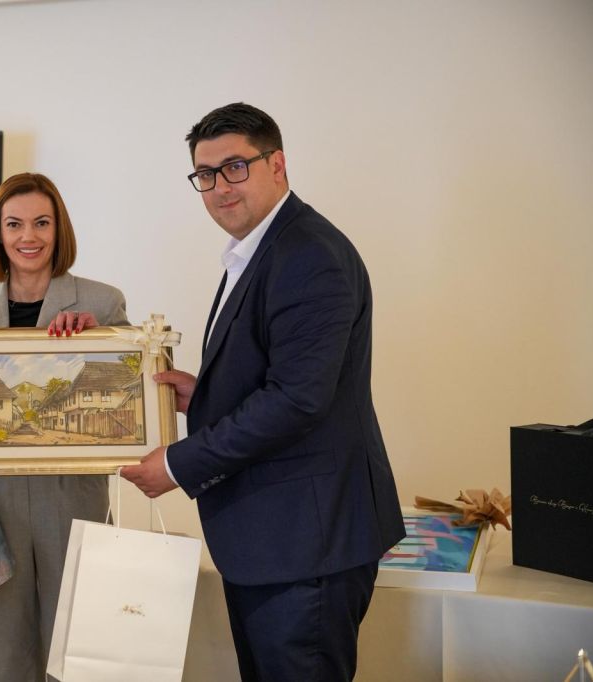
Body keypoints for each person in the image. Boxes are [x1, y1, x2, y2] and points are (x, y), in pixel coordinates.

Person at [121, 103, 405, 681]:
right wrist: (204, 395)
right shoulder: (263, 247)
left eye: (235, 167)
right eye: (205, 174)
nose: (220, 187)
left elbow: (298, 400)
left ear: (277, 164)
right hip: (276, 542)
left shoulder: (308, 255)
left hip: (305, 546)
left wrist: (176, 464)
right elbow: (283, 377)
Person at [0, 172, 128, 682]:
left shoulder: (101, 302)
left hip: (72, 495)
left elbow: (129, 390)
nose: (27, 236)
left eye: (41, 223)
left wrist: (98, 343)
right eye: (14, 224)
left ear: (59, 229)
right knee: (4, 645)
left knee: (75, 643)